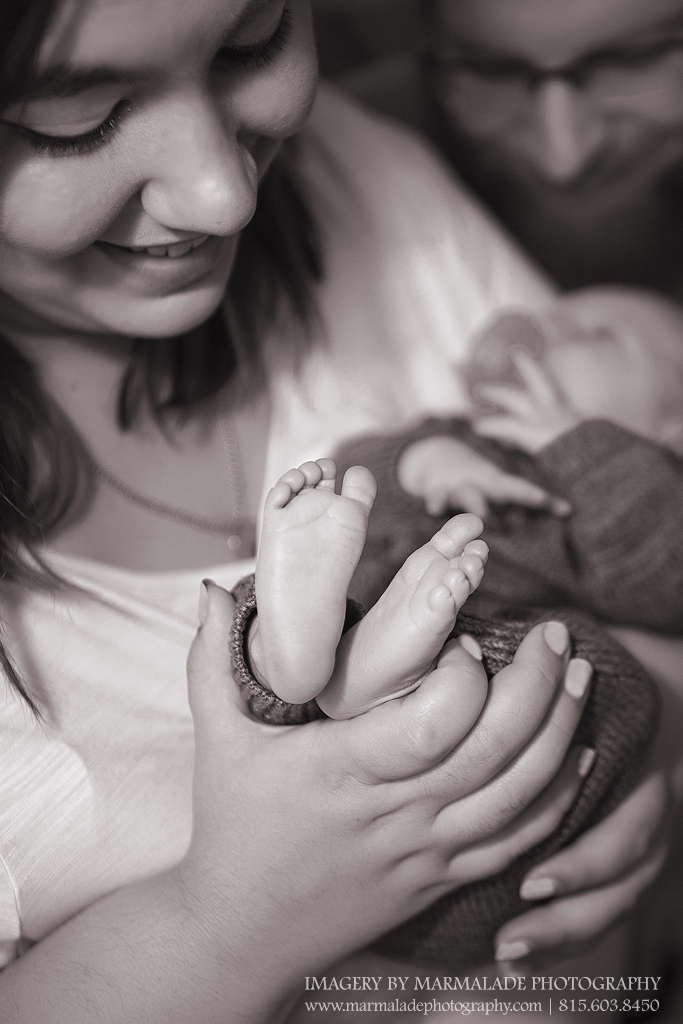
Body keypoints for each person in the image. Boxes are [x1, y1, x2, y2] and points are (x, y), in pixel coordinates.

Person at [0, 2, 669, 1022]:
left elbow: (631, 548)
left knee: (429, 640)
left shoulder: (354, 170)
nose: (225, 194)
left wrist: (642, 762)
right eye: (72, 120)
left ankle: (333, 662)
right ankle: (343, 661)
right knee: (403, 635)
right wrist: (234, 919)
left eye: (251, 43)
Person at [334, 286, 683, 627]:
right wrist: (422, 463)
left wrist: (585, 447)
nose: (548, 331)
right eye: (550, 317)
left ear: (674, 430)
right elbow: (342, 477)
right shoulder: (457, 433)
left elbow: (663, 587)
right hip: (349, 607)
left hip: (473, 635)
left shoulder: (651, 503)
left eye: (601, 335)